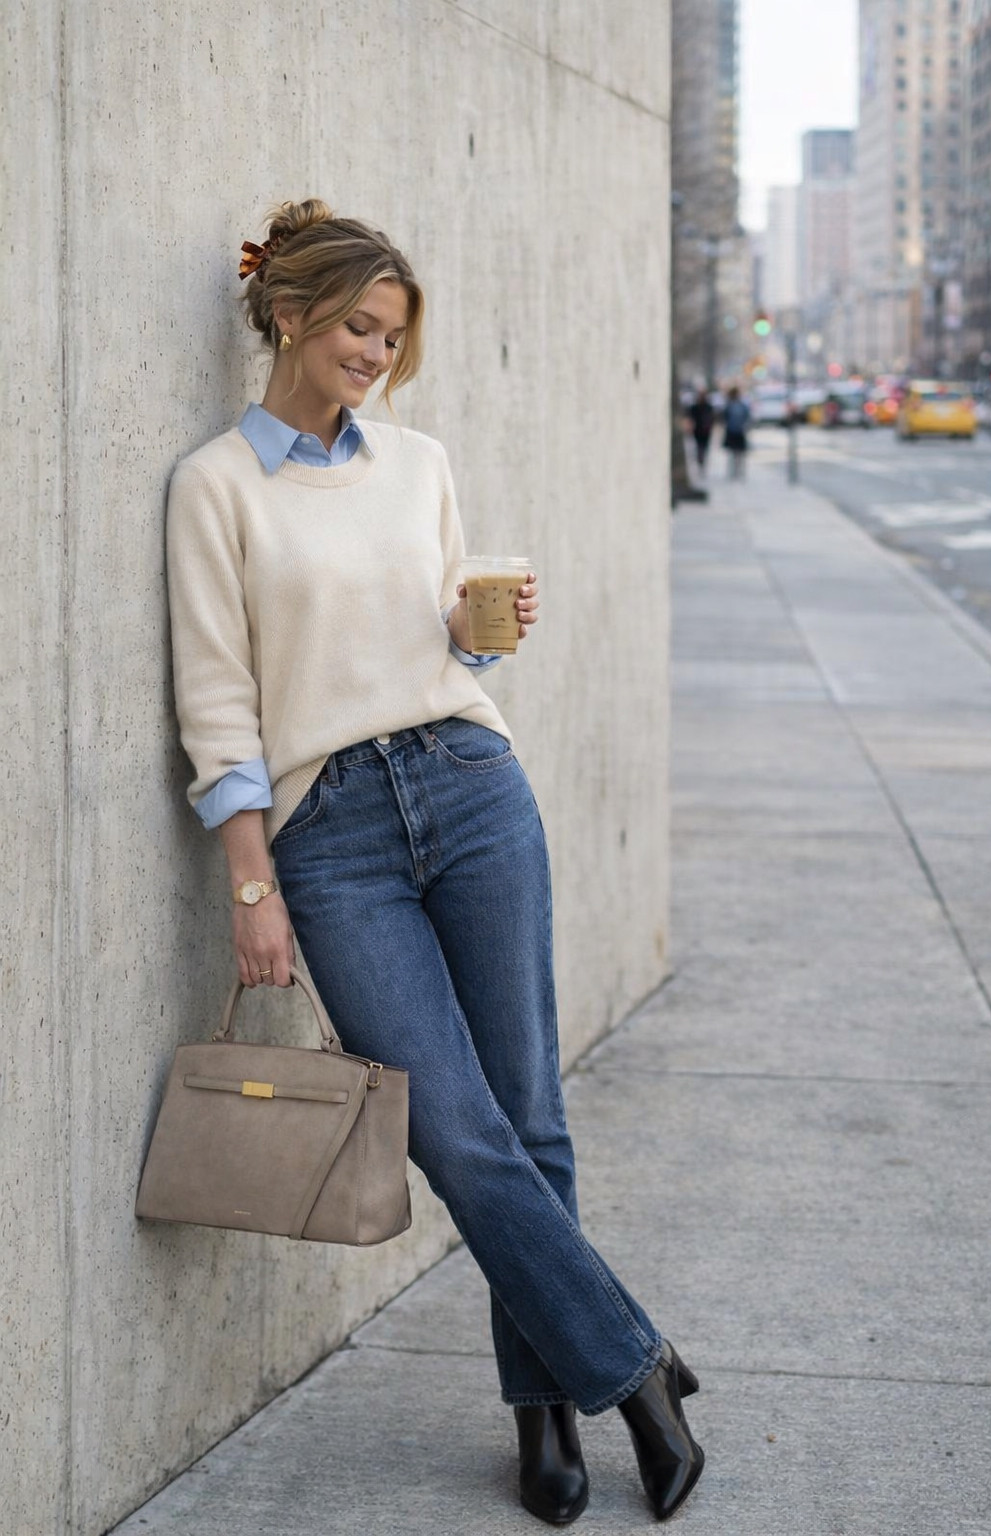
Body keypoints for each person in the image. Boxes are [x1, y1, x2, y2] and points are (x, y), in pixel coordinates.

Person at [166, 199, 704, 1527]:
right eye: (358, 327)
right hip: (330, 834)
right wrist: (250, 883)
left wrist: (484, 634)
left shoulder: (421, 463)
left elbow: (444, 637)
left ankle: (545, 1421)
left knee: (527, 1113)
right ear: (288, 315)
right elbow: (218, 699)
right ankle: (633, 1372)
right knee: (453, 1133)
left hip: (470, 785)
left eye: (394, 338)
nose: (376, 357)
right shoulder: (215, 486)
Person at [722, 385, 750, 479]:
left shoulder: (729, 405)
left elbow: (724, 418)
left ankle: (735, 472)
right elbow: (747, 417)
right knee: (738, 453)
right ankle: (737, 471)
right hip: (738, 431)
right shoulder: (740, 405)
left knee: (733, 453)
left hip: (732, 431)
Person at [686, 388, 715, 476]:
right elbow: (690, 419)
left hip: (706, 431)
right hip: (698, 431)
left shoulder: (708, 407)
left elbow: (712, 418)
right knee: (699, 448)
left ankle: (702, 462)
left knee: (704, 448)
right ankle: (700, 462)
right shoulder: (695, 407)